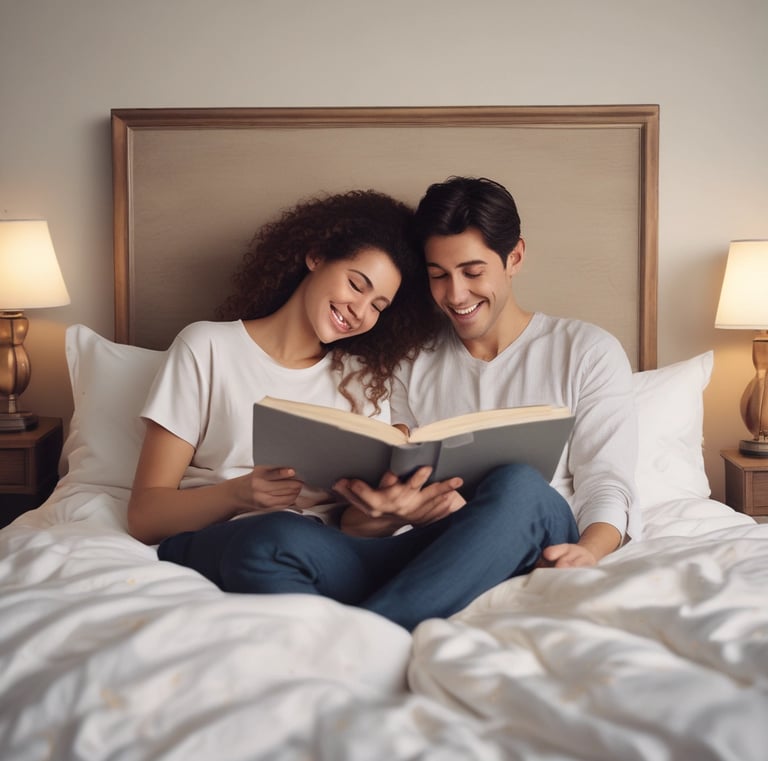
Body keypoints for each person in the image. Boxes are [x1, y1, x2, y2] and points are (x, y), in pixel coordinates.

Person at [129, 188, 515, 632]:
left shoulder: (363, 378)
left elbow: (350, 526)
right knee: (272, 538)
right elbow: (145, 515)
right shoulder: (207, 347)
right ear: (316, 256)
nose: (359, 312)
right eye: (356, 284)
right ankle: (365, 633)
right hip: (232, 539)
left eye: (378, 307)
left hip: (321, 548)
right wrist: (238, 494)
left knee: (512, 500)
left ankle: (359, 627)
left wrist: (387, 511)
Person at [334, 176, 640, 589]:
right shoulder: (410, 359)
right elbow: (398, 470)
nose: (456, 295)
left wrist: (588, 551)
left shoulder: (586, 350)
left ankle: (383, 624)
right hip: (445, 538)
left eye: (473, 272)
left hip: (543, 534)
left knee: (515, 482)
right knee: (279, 541)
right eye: (438, 275)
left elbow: (606, 481)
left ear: (514, 257)